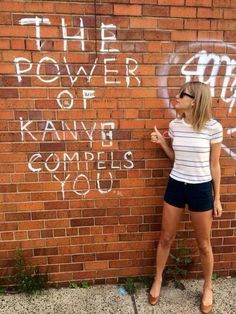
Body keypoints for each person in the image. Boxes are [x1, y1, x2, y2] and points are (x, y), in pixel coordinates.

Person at [149, 81, 223, 314]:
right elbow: (175, 158)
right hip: (176, 185)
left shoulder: (213, 127)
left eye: (182, 94)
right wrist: (163, 143)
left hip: (201, 188)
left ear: (195, 100)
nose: (177, 97)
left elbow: (215, 164)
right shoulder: (175, 125)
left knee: (203, 244)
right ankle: (158, 279)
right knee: (165, 238)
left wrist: (217, 197)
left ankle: (208, 287)